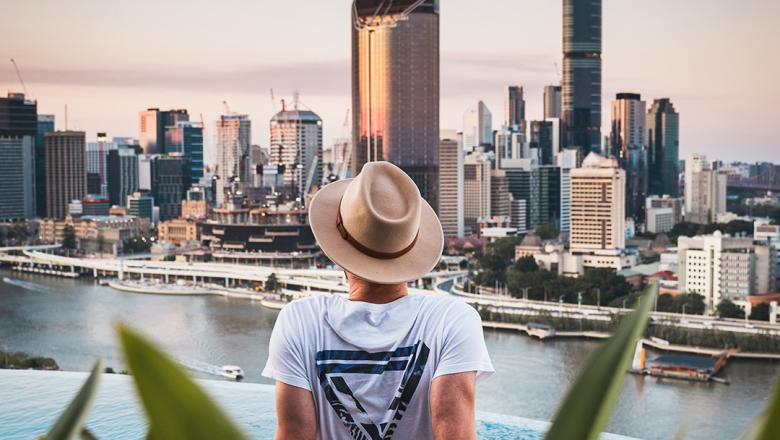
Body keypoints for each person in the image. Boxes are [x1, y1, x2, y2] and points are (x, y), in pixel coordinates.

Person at [263, 161, 494, 440]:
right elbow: (455, 433)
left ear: (337, 248)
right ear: (410, 246)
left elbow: (294, 434)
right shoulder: (453, 321)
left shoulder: (299, 320)